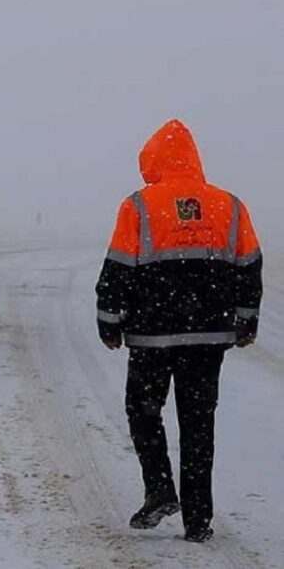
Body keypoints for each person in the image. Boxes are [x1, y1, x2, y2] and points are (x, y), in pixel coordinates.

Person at [95, 119, 262, 543]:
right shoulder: (230, 205)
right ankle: (198, 520)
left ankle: (159, 488)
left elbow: (118, 268)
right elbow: (249, 266)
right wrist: (247, 320)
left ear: (153, 160)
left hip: (152, 336)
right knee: (199, 423)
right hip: (209, 337)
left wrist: (109, 321)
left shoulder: (139, 206)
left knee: (144, 411)